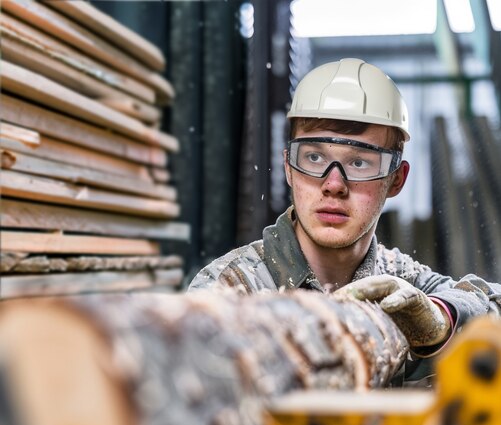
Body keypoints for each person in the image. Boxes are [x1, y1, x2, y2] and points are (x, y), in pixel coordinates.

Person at [188, 58, 501, 383]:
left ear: (396, 180)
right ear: (288, 168)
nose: (333, 184)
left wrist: (441, 320)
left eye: (360, 162)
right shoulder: (231, 288)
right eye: (313, 157)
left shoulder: (400, 280)